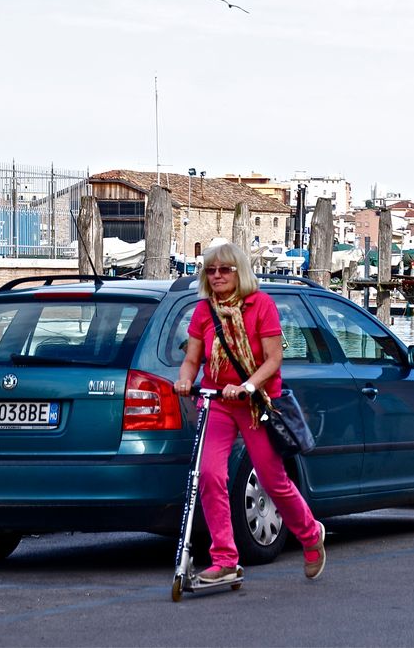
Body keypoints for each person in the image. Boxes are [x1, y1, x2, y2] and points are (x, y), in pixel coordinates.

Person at [174, 241, 326, 581]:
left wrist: (248, 387)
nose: (216, 276)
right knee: (210, 476)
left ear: (239, 272)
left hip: (258, 404)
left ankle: (310, 534)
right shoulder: (204, 311)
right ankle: (225, 559)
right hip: (217, 402)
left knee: (272, 480)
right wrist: (184, 380)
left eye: (224, 270)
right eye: (210, 270)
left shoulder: (261, 305)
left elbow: (273, 360)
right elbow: (191, 359)